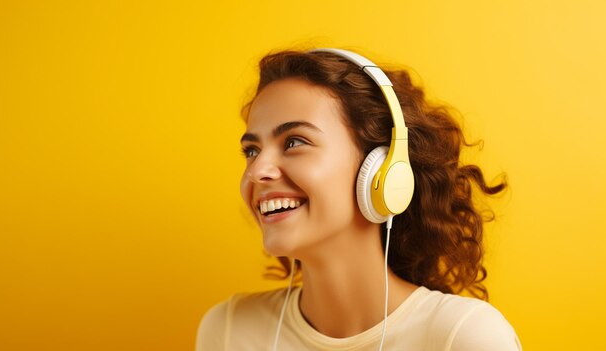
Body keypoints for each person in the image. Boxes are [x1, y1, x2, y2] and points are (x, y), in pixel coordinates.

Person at [196, 48, 522, 351]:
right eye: (251, 151)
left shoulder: (464, 337)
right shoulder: (227, 330)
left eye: (294, 141)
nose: (257, 171)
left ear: (381, 170)